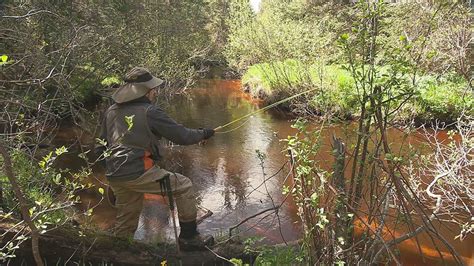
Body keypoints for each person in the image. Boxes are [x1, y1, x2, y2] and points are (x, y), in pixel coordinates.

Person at [97, 67, 214, 251]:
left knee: (126, 219)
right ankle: (189, 238)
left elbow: (100, 145)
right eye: (153, 89)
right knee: (184, 186)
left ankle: (118, 253)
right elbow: (181, 135)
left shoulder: (111, 111)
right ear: (146, 91)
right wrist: (204, 133)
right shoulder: (149, 111)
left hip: (114, 174)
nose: (155, 92)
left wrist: (112, 174)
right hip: (138, 172)